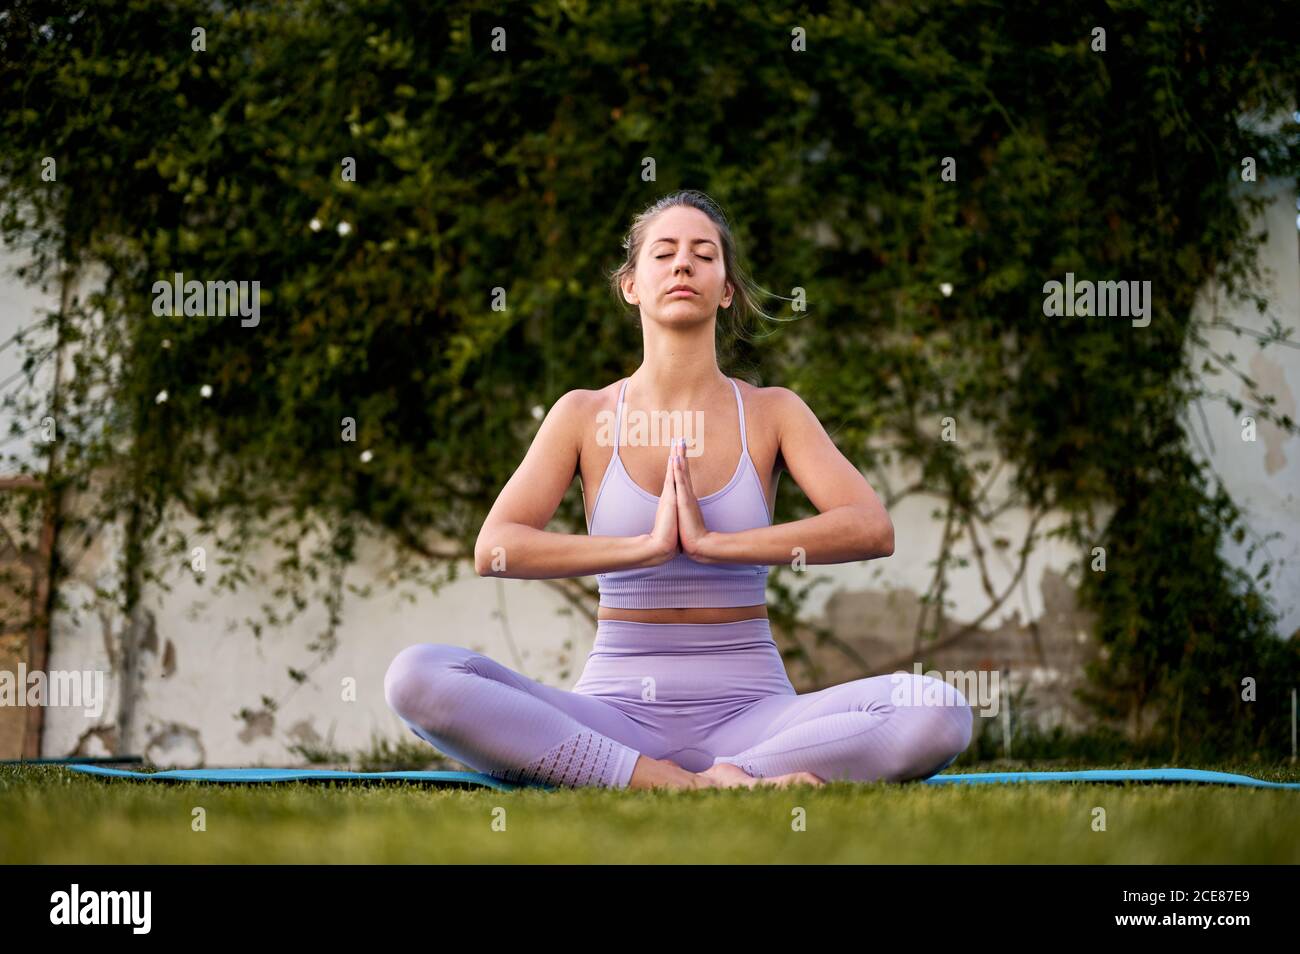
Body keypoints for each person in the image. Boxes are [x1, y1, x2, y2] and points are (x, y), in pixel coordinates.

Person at [384, 190, 972, 790]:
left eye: (703, 254)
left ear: (727, 290)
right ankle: (676, 782)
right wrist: (646, 547)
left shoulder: (773, 412)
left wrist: (716, 545)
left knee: (937, 711)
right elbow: (496, 548)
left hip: (756, 716)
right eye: (663, 253)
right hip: (616, 716)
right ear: (631, 285)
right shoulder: (583, 415)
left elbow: (869, 527)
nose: (683, 264)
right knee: (417, 675)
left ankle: (728, 773)